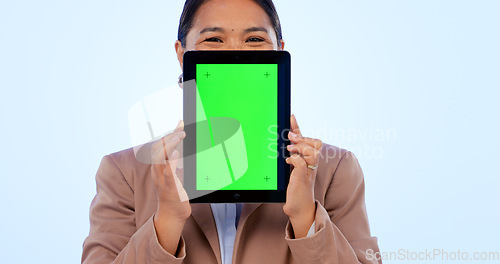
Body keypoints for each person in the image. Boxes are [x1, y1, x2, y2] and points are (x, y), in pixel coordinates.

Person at [81, 0, 382, 263]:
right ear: (181, 54)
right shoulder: (123, 173)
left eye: (254, 39)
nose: (234, 54)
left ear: (280, 49)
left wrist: (306, 217)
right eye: (213, 39)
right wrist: (167, 222)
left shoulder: (334, 169)